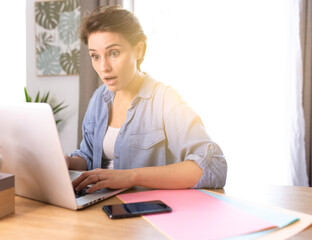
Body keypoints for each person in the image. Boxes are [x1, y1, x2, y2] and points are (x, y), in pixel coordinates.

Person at [65, 5, 227, 194]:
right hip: (98, 206)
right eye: (95, 56)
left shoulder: (165, 100)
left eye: (114, 53)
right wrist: (66, 162)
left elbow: (214, 166)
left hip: (145, 213)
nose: (103, 67)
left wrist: (131, 176)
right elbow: (87, 156)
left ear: (139, 50)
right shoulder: (98, 99)